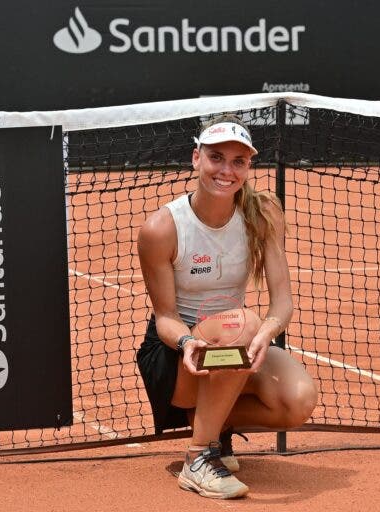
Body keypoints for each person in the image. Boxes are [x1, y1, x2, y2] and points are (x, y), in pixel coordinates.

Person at [136, 114, 318, 499]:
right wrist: (188, 344)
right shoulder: (162, 229)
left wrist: (268, 333)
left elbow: (282, 301)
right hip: (178, 360)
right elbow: (165, 317)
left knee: (299, 399)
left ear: (249, 166)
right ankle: (198, 457)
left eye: (238, 161)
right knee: (241, 323)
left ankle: (209, 423)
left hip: (233, 350)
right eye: (216, 157)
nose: (227, 170)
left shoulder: (264, 213)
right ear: (196, 158)